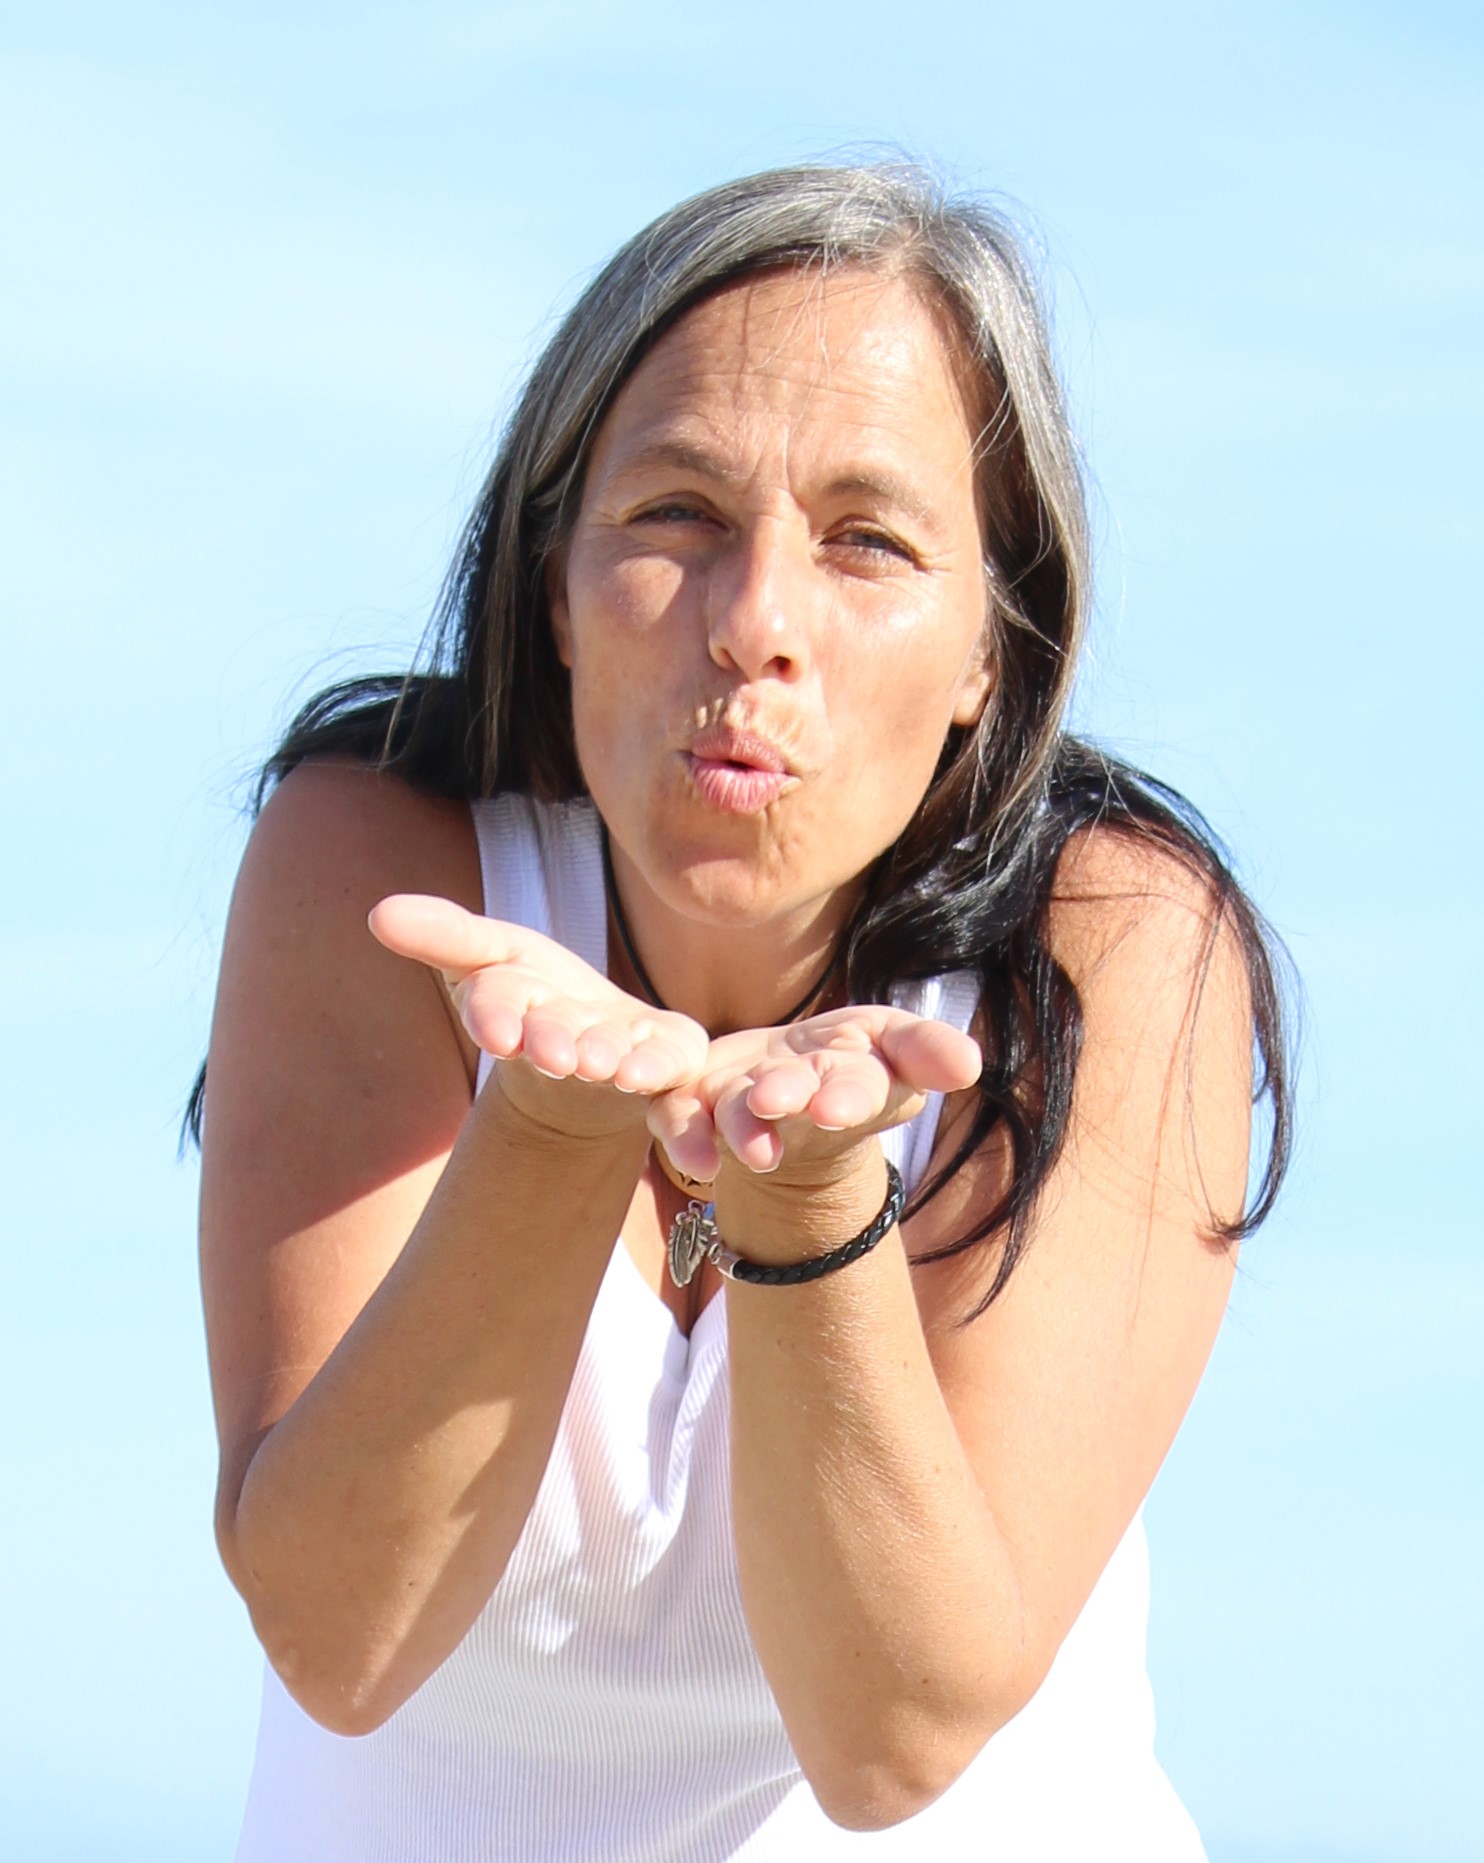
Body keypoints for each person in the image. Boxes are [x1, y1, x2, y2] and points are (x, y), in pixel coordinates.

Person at [195, 162, 1290, 1861]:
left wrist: (807, 1193)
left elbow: (889, 1740)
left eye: (869, 542)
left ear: (989, 653)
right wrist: (551, 1128)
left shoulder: (1117, 944)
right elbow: (342, 1636)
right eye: (678, 516)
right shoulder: (379, 873)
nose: (756, 624)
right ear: (556, 584)